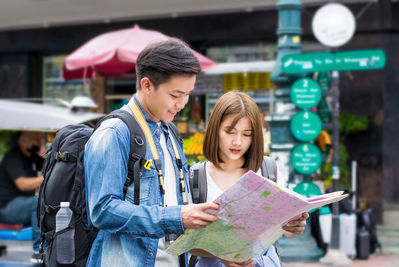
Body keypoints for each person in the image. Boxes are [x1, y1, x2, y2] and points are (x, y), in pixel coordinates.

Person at [84, 38, 220, 267]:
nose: (183, 104)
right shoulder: (115, 132)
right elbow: (102, 209)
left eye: (188, 94)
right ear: (147, 85)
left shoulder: (170, 133)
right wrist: (176, 217)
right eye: (175, 95)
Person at [190, 91, 309, 267]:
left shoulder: (269, 171)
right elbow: (186, 243)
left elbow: (283, 232)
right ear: (214, 129)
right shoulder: (196, 176)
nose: (237, 142)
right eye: (230, 132)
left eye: (247, 134)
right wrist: (223, 254)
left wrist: (295, 228)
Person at [0, 131, 46, 264]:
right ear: (23, 140)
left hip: (17, 204)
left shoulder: (30, 157)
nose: (38, 142)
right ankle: (38, 251)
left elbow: (48, 165)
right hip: (6, 207)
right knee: (38, 202)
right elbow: (22, 184)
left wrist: (42, 151)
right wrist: (46, 178)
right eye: (35, 139)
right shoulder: (14, 157)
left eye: (40, 139)